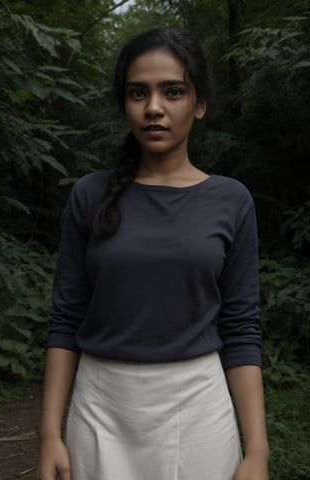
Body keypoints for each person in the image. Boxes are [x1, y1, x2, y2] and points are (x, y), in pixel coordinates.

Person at [36, 27, 269, 480]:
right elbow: (65, 320)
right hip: (101, 409)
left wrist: (256, 450)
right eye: (138, 93)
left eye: (173, 91)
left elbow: (241, 328)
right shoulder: (89, 195)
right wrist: (49, 432)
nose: (154, 107)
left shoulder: (231, 200)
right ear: (125, 104)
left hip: (200, 410)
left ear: (198, 104)